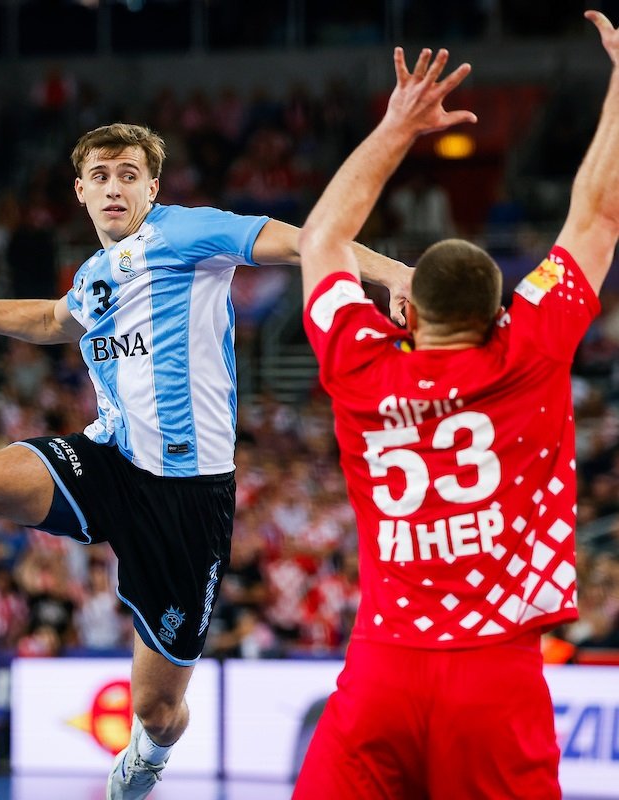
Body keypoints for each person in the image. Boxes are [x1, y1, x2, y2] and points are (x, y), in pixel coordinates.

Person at [0, 121, 409, 799]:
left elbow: (307, 241)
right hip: (108, 457)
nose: (114, 187)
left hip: (188, 498)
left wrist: (394, 276)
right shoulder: (95, 275)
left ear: (152, 187)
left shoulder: (189, 233)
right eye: (100, 176)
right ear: (81, 191)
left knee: (156, 706)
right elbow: (56, 321)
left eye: (128, 175)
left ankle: (148, 755)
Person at [293, 11, 619, 799]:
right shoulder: (531, 348)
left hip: (383, 672)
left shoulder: (360, 364)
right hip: (497, 680)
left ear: (404, 316)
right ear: (501, 311)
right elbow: (598, 215)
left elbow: (322, 239)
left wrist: (398, 126)